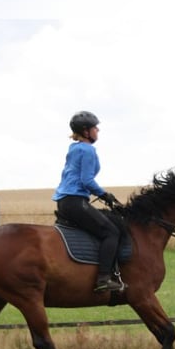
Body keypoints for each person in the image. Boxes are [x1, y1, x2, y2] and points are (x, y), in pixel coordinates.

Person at [53, 111, 125, 293]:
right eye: (94, 128)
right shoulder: (87, 150)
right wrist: (105, 195)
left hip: (65, 201)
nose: (97, 130)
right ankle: (103, 279)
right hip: (76, 201)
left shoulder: (74, 148)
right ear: (86, 132)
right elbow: (86, 181)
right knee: (111, 232)